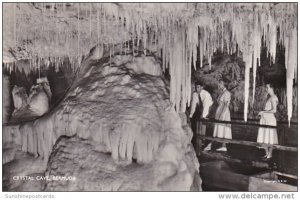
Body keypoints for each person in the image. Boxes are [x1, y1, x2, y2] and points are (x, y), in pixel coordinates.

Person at [206, 80, 232, 152]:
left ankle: (212, 144)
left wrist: (222, 114)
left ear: (224, 84)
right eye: (219, 83)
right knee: (219, 128)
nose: (219, 85)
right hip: (219, 111)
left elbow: (226, 105)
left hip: (223, 113)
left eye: (220, 83)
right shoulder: (221, 92)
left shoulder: (227, 93)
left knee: (222, 127)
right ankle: (223, 146)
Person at [257, 83, 278, 159]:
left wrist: (263, 112)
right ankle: (267, 154)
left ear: (271, 88)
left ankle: (270, 154)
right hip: (265, 119)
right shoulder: (269, 97)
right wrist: (263, 112)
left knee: (269, 136)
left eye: (267, 88)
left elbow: (274, 110)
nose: (266, 89)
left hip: (270, 119)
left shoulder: (273, 97)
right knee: (265, 135)